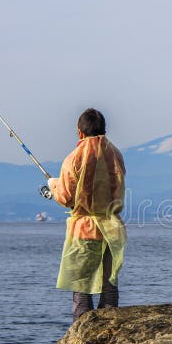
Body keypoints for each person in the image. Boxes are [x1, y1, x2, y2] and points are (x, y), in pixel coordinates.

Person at [48, 108, 127, 321]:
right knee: (109, 286)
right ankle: (110, 333)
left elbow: (65, 197)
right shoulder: (116, 155)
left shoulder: (73, 159)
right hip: (112, 230)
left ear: (80, 132)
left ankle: (82, 336)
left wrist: (53, 185)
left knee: (81, 287)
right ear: (104, 130)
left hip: (84, 231)